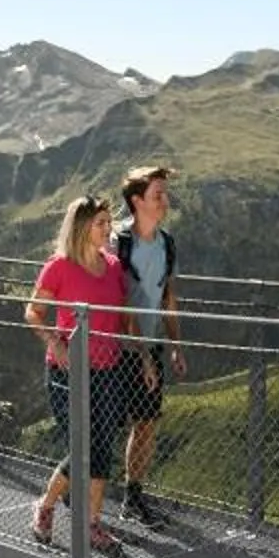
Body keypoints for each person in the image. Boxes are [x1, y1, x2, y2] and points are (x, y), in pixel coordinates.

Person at [23, 192, 135, 556]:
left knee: (102, 448)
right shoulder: (59, 266)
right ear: (83, 227)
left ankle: (92, 526)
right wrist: (55, 342)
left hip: (108, 370)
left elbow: (123, 316)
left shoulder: (114, 266)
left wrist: (145, 357)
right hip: (67, 372)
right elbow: (33, 312)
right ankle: (46, 506)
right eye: (101, 223)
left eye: (109, 222)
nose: (109, 228)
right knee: (82, 446)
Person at [109, 164, 186, 526]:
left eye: (164, 194)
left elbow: (168, 295)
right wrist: (142, 356)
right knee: (105, 422)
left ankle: (131, 497)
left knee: (146, 422)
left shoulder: (167, 242)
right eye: (158, 195)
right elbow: (121, 301)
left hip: (149, 345)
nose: (165, 201)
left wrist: (175, 344)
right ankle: (78, 487)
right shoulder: (118, 242)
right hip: (114, 347)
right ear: (137, 201)